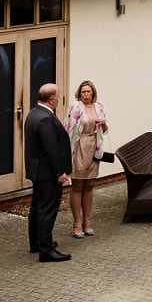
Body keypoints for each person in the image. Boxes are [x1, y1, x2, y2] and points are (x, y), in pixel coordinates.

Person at [24, 82, 71, 262]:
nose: (59, 99)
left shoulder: (33, 114)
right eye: (58, 97)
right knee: (47, 210)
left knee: (37, 208)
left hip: (38, 171)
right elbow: (51, 148)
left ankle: (36, 242)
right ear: (52, 100)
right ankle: (46, 249)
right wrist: (60, 172)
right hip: (47, 173)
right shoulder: (45, 118)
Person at [64, 80, 107, 239]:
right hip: (79, 146)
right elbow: (68, 128)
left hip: (94, 146)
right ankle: (76, 222)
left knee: (89, 184)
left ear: (93, 92)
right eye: (84, 92)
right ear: (79, 93)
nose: (86, 95)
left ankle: (87, 221)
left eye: (89, 92)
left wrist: (103, 124)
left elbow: (105, 129)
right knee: (78, 184)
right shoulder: (75, 107)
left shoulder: (99, 106)